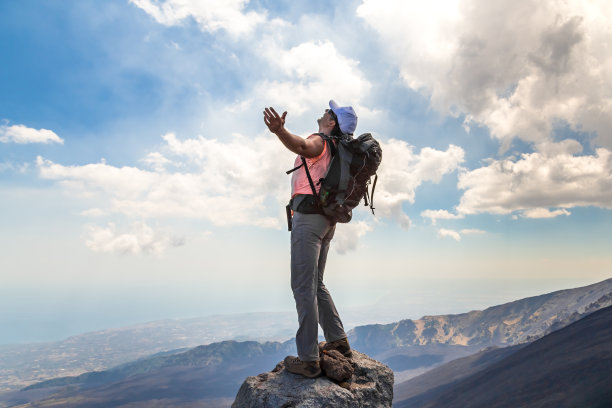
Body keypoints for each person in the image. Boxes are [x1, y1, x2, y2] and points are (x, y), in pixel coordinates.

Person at [263, 100, 357, 378]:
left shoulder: (322, 141)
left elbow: (302, 147)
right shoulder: (341, 150)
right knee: (316, 283)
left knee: (302, 286)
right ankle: (338, 340)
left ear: (332, 123)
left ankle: (309, 359)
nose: (325, 112)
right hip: (328, 220)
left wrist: (280, 131)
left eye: (330, 112)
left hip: (309, 220)